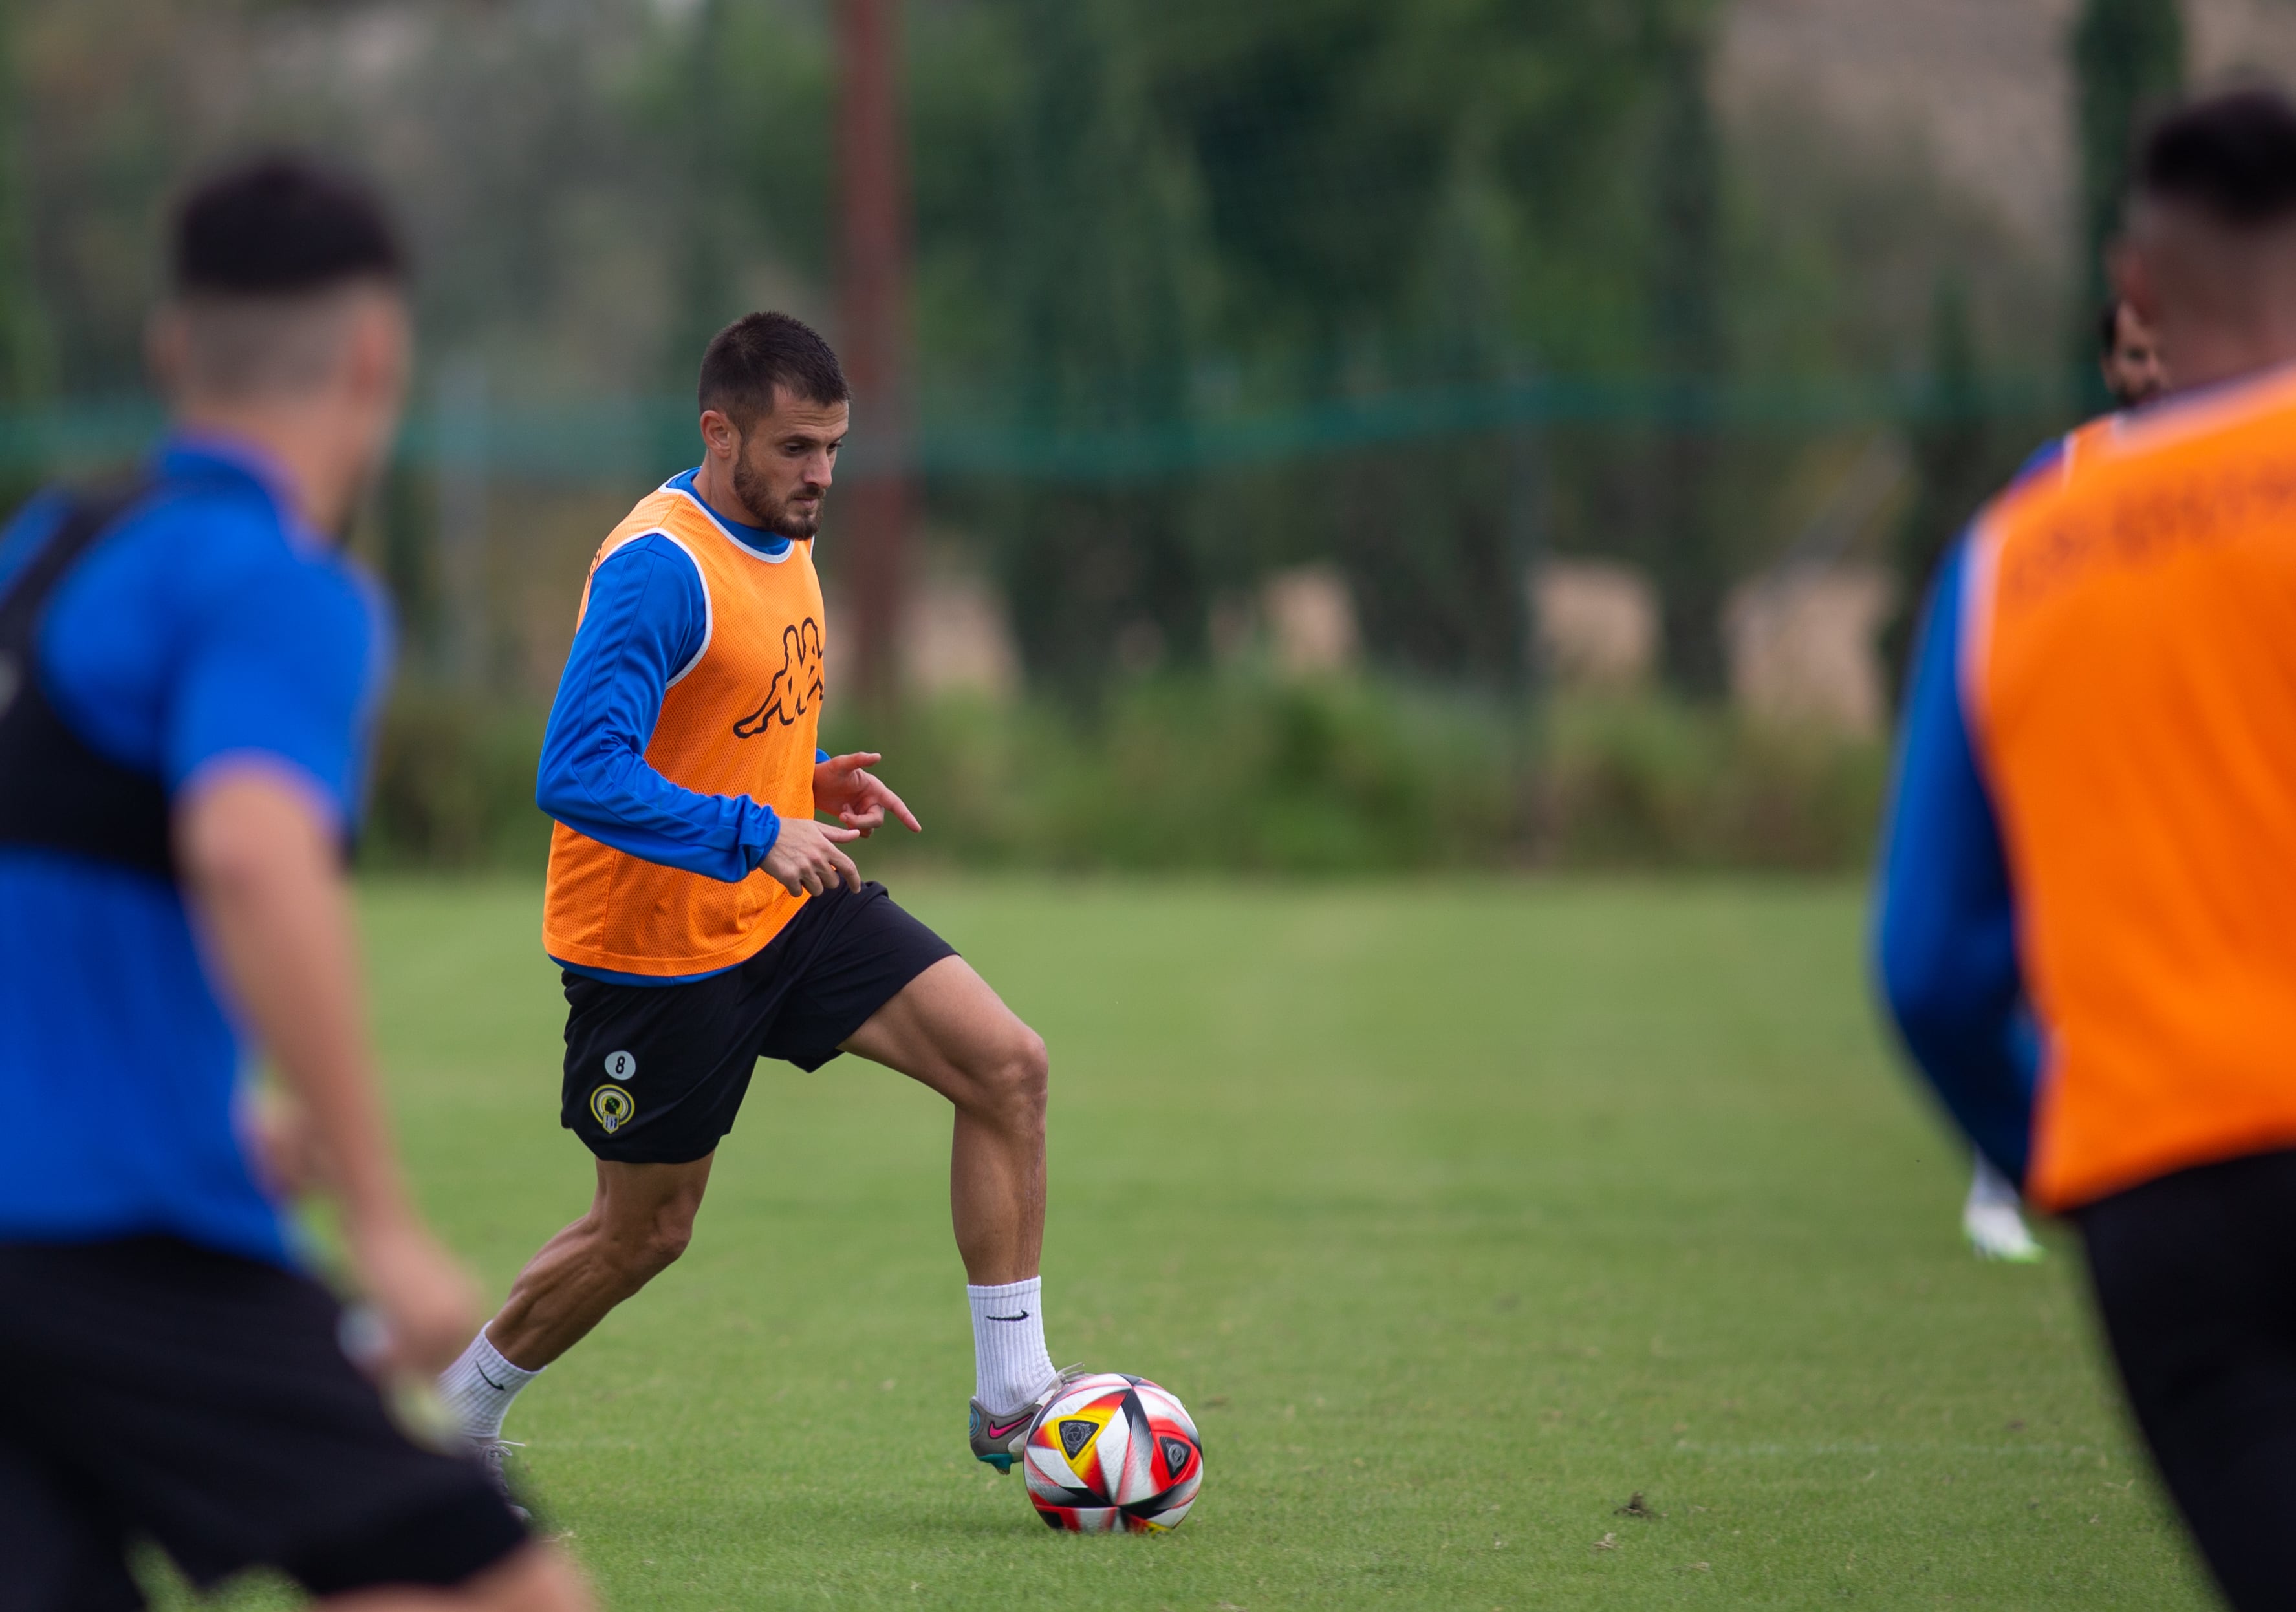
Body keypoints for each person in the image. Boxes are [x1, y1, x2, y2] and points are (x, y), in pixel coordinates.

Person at [0, 158, 589, 1611]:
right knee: (496, 1591)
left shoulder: (49, 547)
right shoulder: (276, 582)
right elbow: (252, 851)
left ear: (170, 350)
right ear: (380, 353)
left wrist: (185, 1089)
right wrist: (381, 1219)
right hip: (107, 1239)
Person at [435, 312, 1071, 1489]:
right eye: (795, 449)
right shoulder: (656, 568)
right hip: (655, 952)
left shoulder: (783, 529)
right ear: (719, 432)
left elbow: (722, 711)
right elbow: (576, 772)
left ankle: (1012, 1392)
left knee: (1007, 1066)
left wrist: (801, 778)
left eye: (833, 447)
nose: (820, 474)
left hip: (785, 905)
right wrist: (749, 824)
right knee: (644, 1235)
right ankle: (447, 1419)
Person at [1876, 87, 2296, 1609]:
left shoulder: (2016, 556)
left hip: (2165, 1192)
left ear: (2133, 284)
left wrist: (2067, 1156)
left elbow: (1925, 967)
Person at [1955, 292, 2174, 1263]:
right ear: (2107, 365)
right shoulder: (2068, 472)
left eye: (2162, 349)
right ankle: (2005, 1172)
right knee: (2058, 964)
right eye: (2132, 353)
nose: (2151, 371)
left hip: (2199, 771)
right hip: (2096, 761)